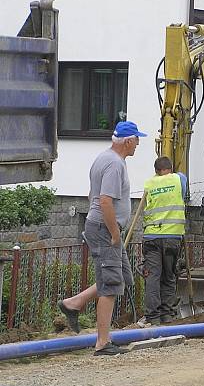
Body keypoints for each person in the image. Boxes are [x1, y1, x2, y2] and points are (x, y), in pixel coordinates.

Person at [58, 121, 145, 356]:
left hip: (105, 226)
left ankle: (74, 303)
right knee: (111, 284)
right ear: (128, 141)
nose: (138, 144)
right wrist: (114, 232)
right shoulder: (115, 164)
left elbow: (92, 195)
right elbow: (105, 200)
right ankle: (102, 343)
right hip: (106, 229)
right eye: (137, 139)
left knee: (122, 277)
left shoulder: (104, 158)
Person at [138, 156, 188, 327]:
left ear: (156, 171)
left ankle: (152, 317)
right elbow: (182, 177)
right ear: (170, 168)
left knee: (152, 277)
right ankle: (167, 315)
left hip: (152, 237)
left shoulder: (149, 184)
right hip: (172, 238)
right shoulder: (179, 179)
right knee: (169, 276)